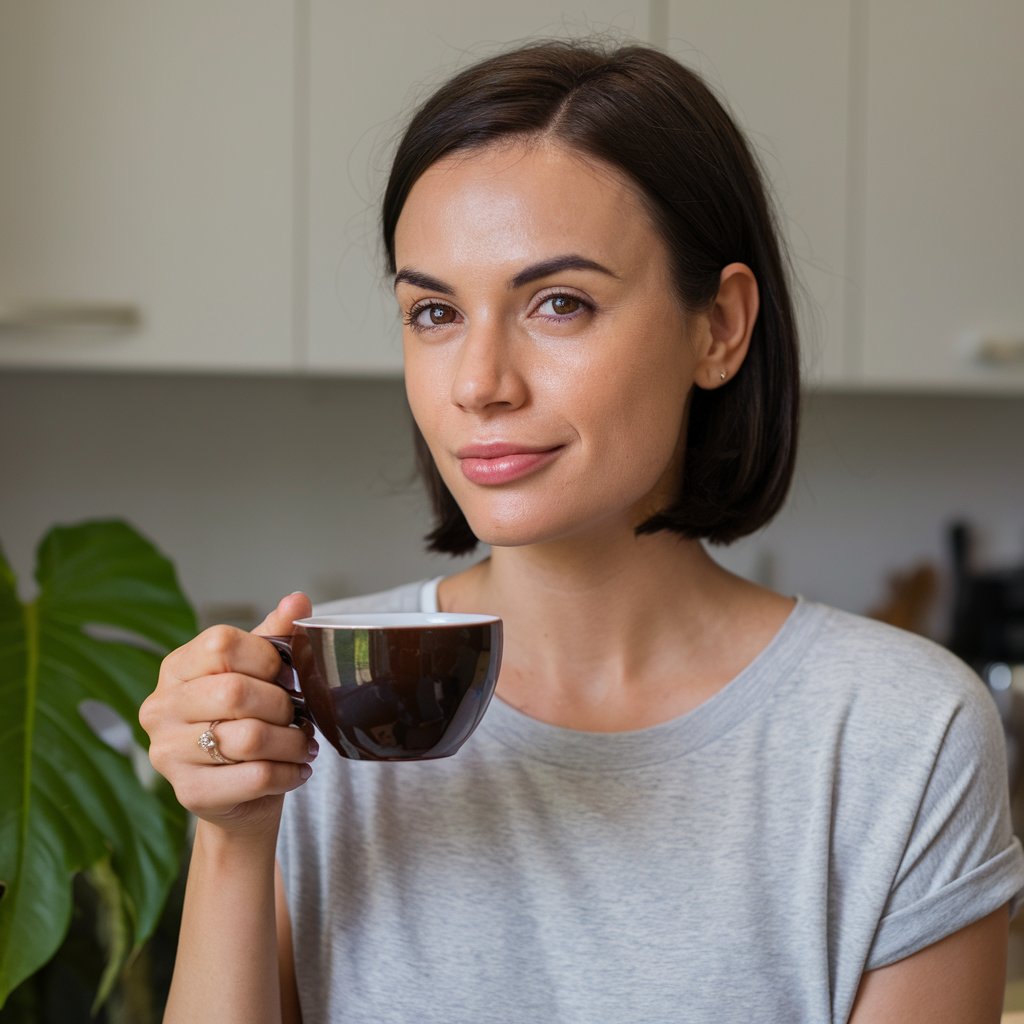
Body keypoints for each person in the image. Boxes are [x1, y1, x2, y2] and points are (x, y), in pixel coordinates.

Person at [140, 40, 1024, 1023]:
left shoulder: (901, 730)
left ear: (719, 328)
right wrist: (233, 834)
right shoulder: (321, 691)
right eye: (432, 311)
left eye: (559, 303)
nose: (478, 382)